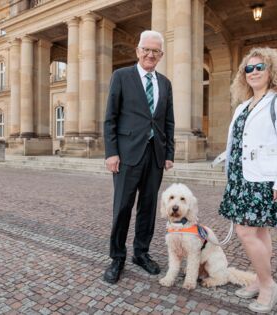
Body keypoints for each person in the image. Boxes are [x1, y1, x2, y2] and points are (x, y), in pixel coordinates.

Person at [218, 47, 277, 313]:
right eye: (248, 69)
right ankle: (258, 278)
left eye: (259, 67)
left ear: (271, 71)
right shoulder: (243, 105)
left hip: (264, 179)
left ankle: (268, 286)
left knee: (245, 231)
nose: (253, 72)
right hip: (241, 177)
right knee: (260, 230)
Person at [103, 30, 175, 284]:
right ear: (138, 50)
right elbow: (110, 117)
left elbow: (168, 121)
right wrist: (111, 153)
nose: (150, 54)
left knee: (148, 208)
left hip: (154, 156)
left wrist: (169, 153)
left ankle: (141, 253)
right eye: (146, 49)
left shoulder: (165, 83)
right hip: (126, 156)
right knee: (122, 208)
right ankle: (117, 258)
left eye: (155, 51)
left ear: (161, 55)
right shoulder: (121, 76)